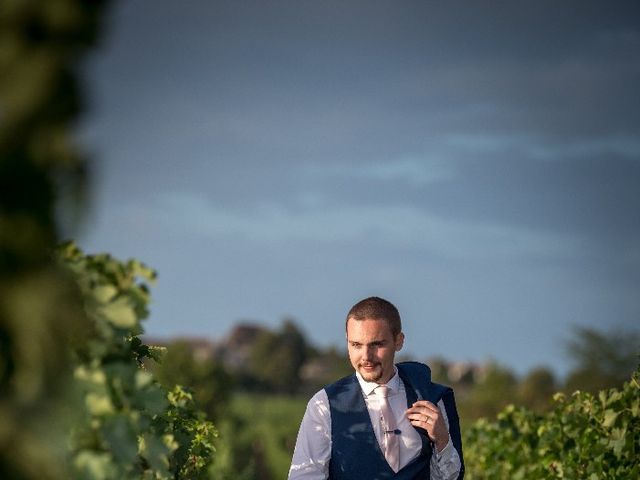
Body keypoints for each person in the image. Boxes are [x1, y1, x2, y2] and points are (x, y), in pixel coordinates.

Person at [289, 297, 464, 480]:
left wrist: (443, 441)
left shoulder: (431, 399)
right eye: (356, 345)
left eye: (377, 344)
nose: (366, 356)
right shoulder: (324, 405)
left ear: (399, 341)